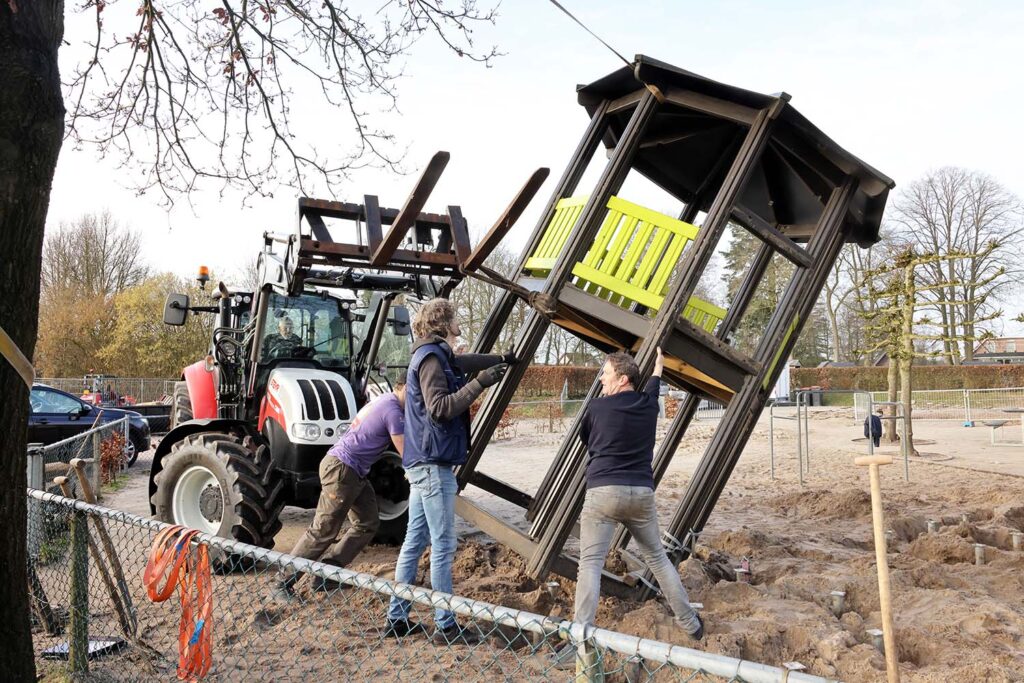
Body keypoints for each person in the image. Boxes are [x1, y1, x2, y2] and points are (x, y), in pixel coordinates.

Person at [555, 348, 702, 667]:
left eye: (606, 374)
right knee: (659, 560)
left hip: (604, 490)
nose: (601, 380)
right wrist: (659, 366)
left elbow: (587, 440)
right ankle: (690, 624)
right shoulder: (649, 405)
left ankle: (582, 639)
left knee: (590, 564)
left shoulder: (595, 408)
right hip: (641, 493)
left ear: (622, 379)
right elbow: (653, 382)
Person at [384, 298, 515, 644]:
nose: (460, 323)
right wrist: (481, 383)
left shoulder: (436, 354)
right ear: (443, 324)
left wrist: (500, 359)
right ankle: (445, 625)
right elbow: (441, 409)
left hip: (424, 463)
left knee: (414, 541)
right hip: (432, 466)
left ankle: (397, 618)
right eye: (455, 318)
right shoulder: (430, 359)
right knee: (443, 544)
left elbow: (462, 361)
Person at [273, 382, 408, 601]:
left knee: (367, 523)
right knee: (323, 530)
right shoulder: (392, 409)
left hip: (354, 471)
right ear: (401, 385)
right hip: (343, 469)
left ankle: (328, 574)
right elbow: (406, 452)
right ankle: (283, 583)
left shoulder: (383, 403)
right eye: (414, 390)